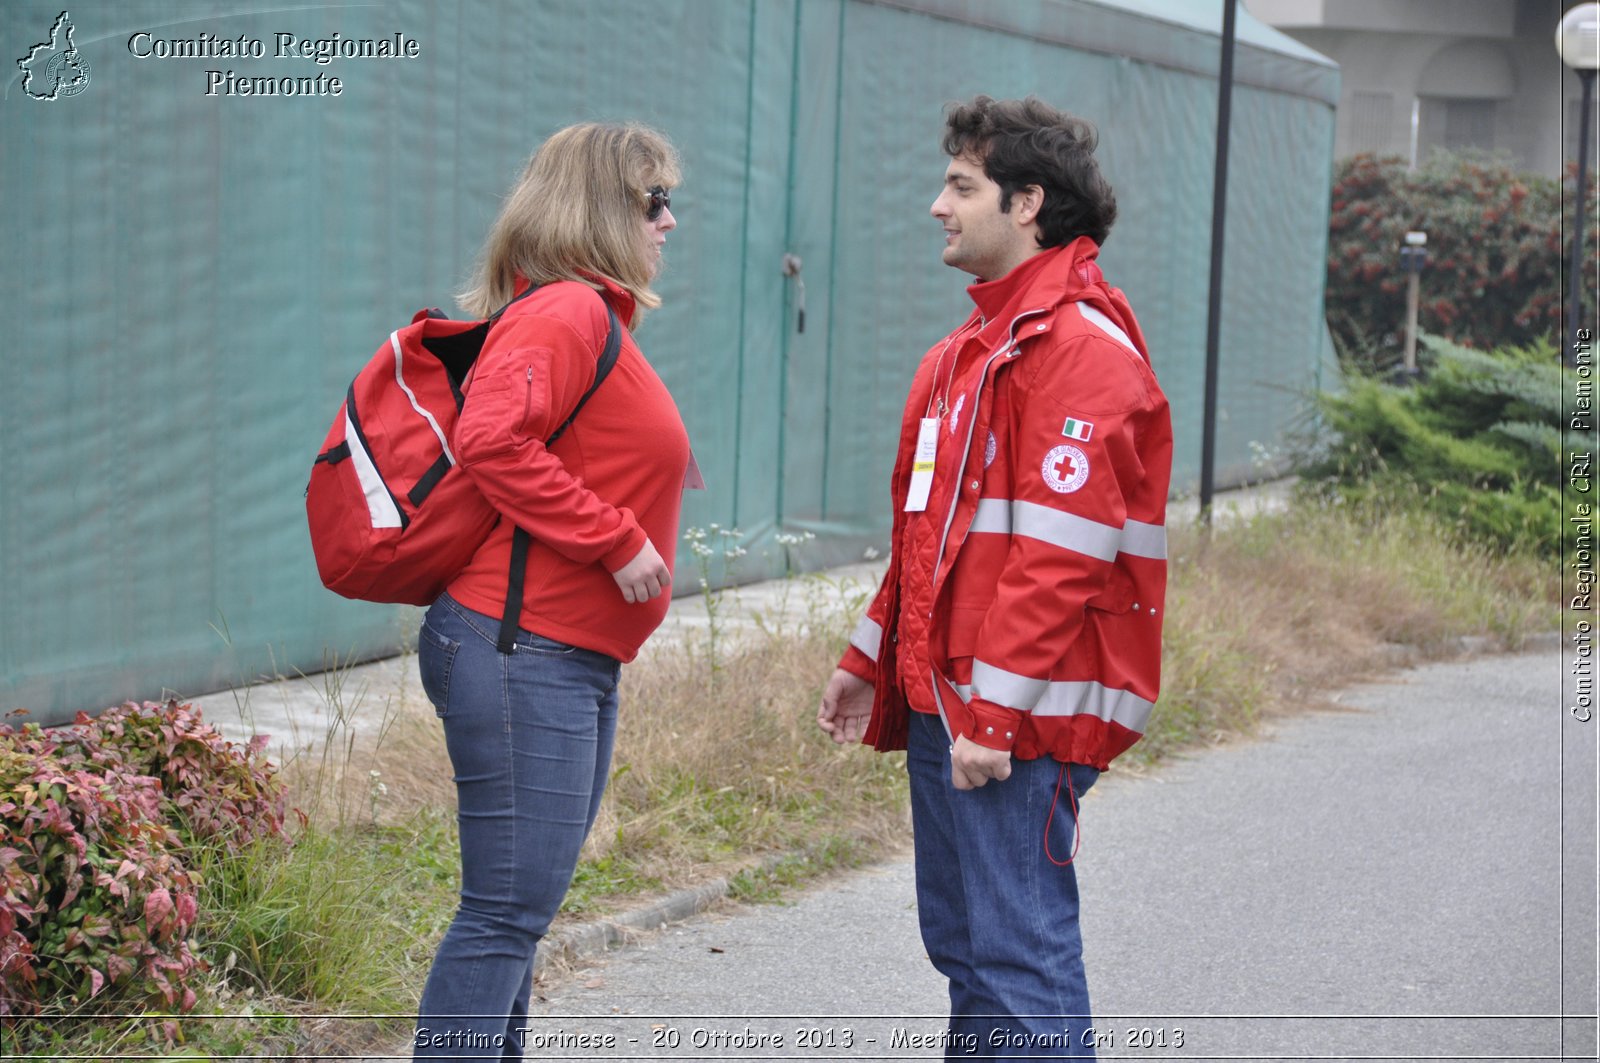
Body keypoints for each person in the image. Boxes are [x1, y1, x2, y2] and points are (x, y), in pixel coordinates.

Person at [817, 95, 1172, 1059]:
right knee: (970, 951)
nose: (938, 204)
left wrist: (997, 710)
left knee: (1018, 960)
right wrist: (872, 651)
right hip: (955, 699)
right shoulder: (970, 353)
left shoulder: (1080, 352)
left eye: (960, 186)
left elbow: (1061, 556)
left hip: (1015, 713)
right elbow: (930, 535)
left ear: (1028, 203)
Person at [412, 122, 688, 1060]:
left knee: (516, 915)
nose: (670, 221)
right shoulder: (565, 312)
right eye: (655, 202)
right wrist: (616, 541)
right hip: (521, 647)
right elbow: (492, 440)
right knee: (502, 915)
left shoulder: (588, 315)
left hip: (558, 653)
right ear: (604, 207)